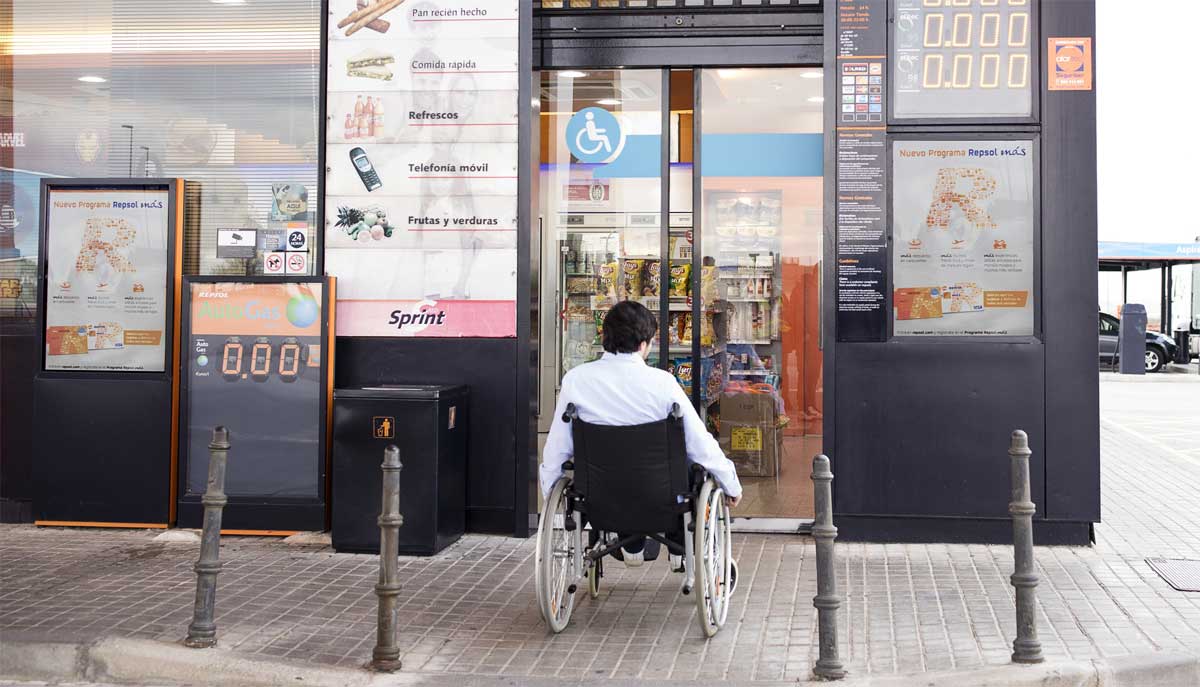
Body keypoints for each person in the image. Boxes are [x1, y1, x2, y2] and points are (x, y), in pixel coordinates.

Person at [540, 300, 742, 567]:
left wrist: (549, 488)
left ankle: (631, 544)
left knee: (616, 472)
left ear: (604, 337)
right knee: (688, 467)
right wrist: (730, 482)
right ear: (646, 343)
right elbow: (699, 443)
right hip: (663, 498)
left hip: (599, 499)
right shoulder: (662, 383)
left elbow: (558, 445)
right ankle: (679, 546)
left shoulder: (576, 380)